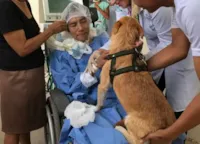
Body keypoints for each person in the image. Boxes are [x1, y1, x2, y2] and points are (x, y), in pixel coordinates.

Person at [49, 2, 128, 144]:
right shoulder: (61, 54)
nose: (80, 28)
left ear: (89, 20)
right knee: (116, 140)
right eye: (73, 25)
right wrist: (92, 69)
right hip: (87, 107)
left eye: (83, 21)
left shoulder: (102, 40)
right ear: (67, 28)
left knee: (149, 130)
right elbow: (68, 86)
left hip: (116, 99)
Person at [131, 0, 200, 143]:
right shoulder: (177, 8)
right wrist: (135, 67)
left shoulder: (191, 8)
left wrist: (168, 134)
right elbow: (178, 47)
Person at [0, 0, 67, 143]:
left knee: (25, 126)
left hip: (32, 75)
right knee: (14, 128)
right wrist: (51, 31)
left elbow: (32, 35)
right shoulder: (5, 6)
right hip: (16, 78)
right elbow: (22, 48)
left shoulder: (24, 3)